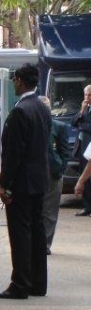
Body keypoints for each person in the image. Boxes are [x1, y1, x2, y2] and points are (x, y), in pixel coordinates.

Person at [0, 64, 52, 299]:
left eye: (15, 80)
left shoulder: (20, 111)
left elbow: (13, 153)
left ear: (19, 80)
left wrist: (4, 183)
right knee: (37, 232)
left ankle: (20, 284)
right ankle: (38, 283)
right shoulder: (41, 107)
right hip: (39, 179)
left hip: (21, 182)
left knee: (20, 233)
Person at [39, 95, 69, 255]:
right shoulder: (33, 126)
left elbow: (65, 151)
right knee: (38, 210)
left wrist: (60, 169)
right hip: (36, 173)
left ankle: (45, 245)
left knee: (50, 212)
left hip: (53, 173)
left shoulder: (59, 126)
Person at [71, 84, 91, 216]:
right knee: (85, 178)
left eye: (90, 95)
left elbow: (86, 127)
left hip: (90, 146)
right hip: (82, 147)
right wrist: (81, 111)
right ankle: (87, 206)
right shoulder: (85, 109)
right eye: (86, 95)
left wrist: (81, 125)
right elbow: (73, 123)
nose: (88, 97)